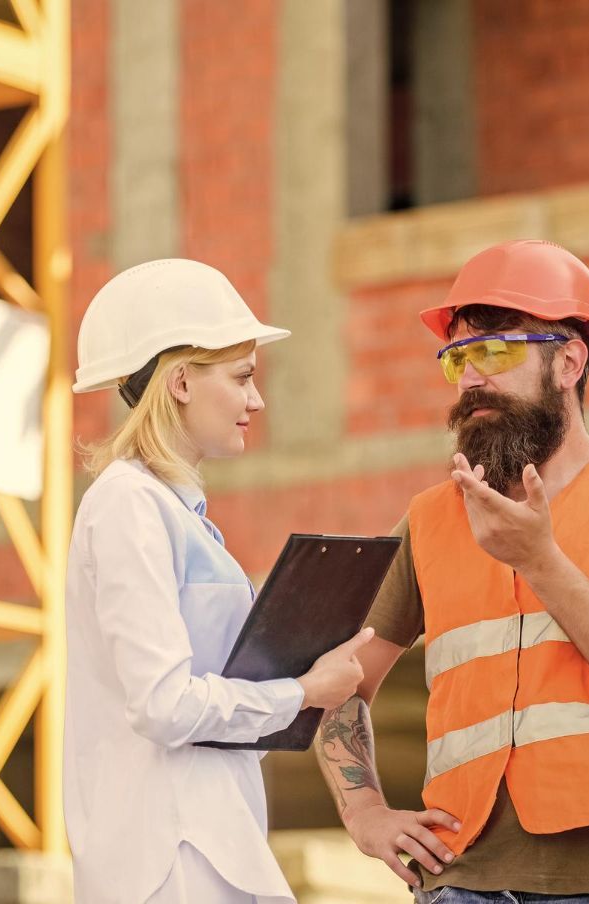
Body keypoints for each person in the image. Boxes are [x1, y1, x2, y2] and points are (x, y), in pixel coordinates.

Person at [315, 240, 589, 904]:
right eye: (458, 356)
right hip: (459, 882)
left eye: (495, 352)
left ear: (569, 362)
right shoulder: (431, 519)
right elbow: (336, 680)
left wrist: (540, 560)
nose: (470, 377)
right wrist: (363, 812)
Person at [65, 258, 375, 904]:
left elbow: (206, 717)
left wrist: (298, 676)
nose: (255, 400)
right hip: (168, 863)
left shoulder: (180, 516)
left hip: (209, 842)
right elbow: (164, 705)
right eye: (241, 378)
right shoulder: (128, 506)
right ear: (179, 382)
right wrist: (300, 690)